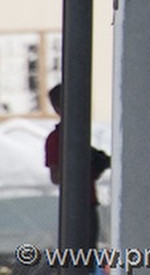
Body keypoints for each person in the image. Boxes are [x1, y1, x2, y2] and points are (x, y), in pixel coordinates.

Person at [45, 83, 111, 252]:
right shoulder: (57, 139)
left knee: (87, 253)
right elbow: (56, 177)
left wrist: (94, 166)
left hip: (87, 202)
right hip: (76, 205)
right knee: (80, 254)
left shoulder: (78, 135)